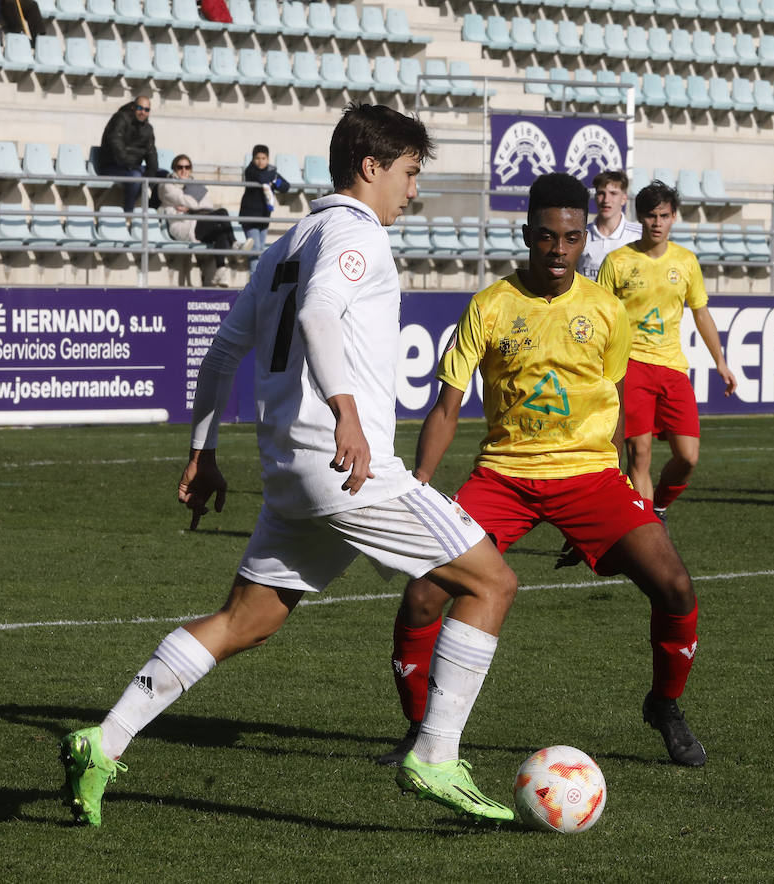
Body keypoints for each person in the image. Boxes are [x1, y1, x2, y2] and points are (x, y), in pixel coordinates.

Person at [57, 103, 519, 828]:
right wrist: (346, 411)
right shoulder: (352, 231)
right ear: (371, 167)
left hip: (292, 469)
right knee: (491, 581)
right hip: (347, 466)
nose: (412, 190)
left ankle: (103, 739)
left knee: (244, 621)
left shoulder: (289, 240)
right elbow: (318, 315)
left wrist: (202, 451)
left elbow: (220, 352)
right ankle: (434, 753)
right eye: (407, 173)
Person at [379, 172, 708, 768]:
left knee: (675, 586)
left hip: (590, 479)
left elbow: (609, 404)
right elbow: (447, 408)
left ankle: (664, 703)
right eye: (548, 238)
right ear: (528, 234)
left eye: (573, 238)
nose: (560, 250)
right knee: (424, 593)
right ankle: (419, 729)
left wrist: (605, 496)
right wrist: (421, 486)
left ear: (586, 239)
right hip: (504, 476)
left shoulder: (607, 310)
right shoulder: (490, 306)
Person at [595, 179, 737, 521]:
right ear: (639, 218)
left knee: (688, 457)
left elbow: (700, 312)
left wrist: (721, 361)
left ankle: (657, 506)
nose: (656, 223)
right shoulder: (617, 262)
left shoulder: (686, 262)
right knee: (639, 456)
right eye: (650, 216)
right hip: (632, 367)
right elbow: (599, 315)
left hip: (673, 368)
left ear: (674, 217)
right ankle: (647, 528)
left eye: (663, 215)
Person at [158, 153, 240, 287]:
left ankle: (221, 270)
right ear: (174, 168)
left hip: (197, 221)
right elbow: (193, 203)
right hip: (182, 225)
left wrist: (190, 209)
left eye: (187, 167)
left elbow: (208, 206)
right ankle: (234, 243)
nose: (184, 170)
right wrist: (194, 206)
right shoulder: (168, 185)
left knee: (221, 229)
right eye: (180, 167)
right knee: (222, 213)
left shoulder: (195, 185)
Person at [98, 95, 159, 212]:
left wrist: (151, 172)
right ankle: (128, 214)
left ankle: (154, 212)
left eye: (147, 110)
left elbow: (151, 153)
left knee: (163, 176)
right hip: (112, 165)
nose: (143, 112)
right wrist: (130, 164)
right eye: (140, 108)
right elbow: (116, 144)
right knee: (136, 177)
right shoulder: (120, 119)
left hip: (133, 167)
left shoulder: (148, 129)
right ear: (133, 107)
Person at [577, 169, 641, 281]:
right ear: (596, 197)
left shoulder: (639, 235)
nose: (606, 200)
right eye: (601, 193)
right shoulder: (580, 235)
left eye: (613, 193)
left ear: (624, 199)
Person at [239, 144, 289, 274]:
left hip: (264, 216)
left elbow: (286, 186)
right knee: (255, 249)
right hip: (249, 216)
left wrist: (277, 182)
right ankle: (254, 284)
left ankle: (256, 283)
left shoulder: (271, 172)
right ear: (253, 159)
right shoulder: (250, 170)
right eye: (257, 158)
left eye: (263, 158)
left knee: (260, 249)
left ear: (268, 159)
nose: (260, 161)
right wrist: (273, 178)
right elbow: (262, 178)